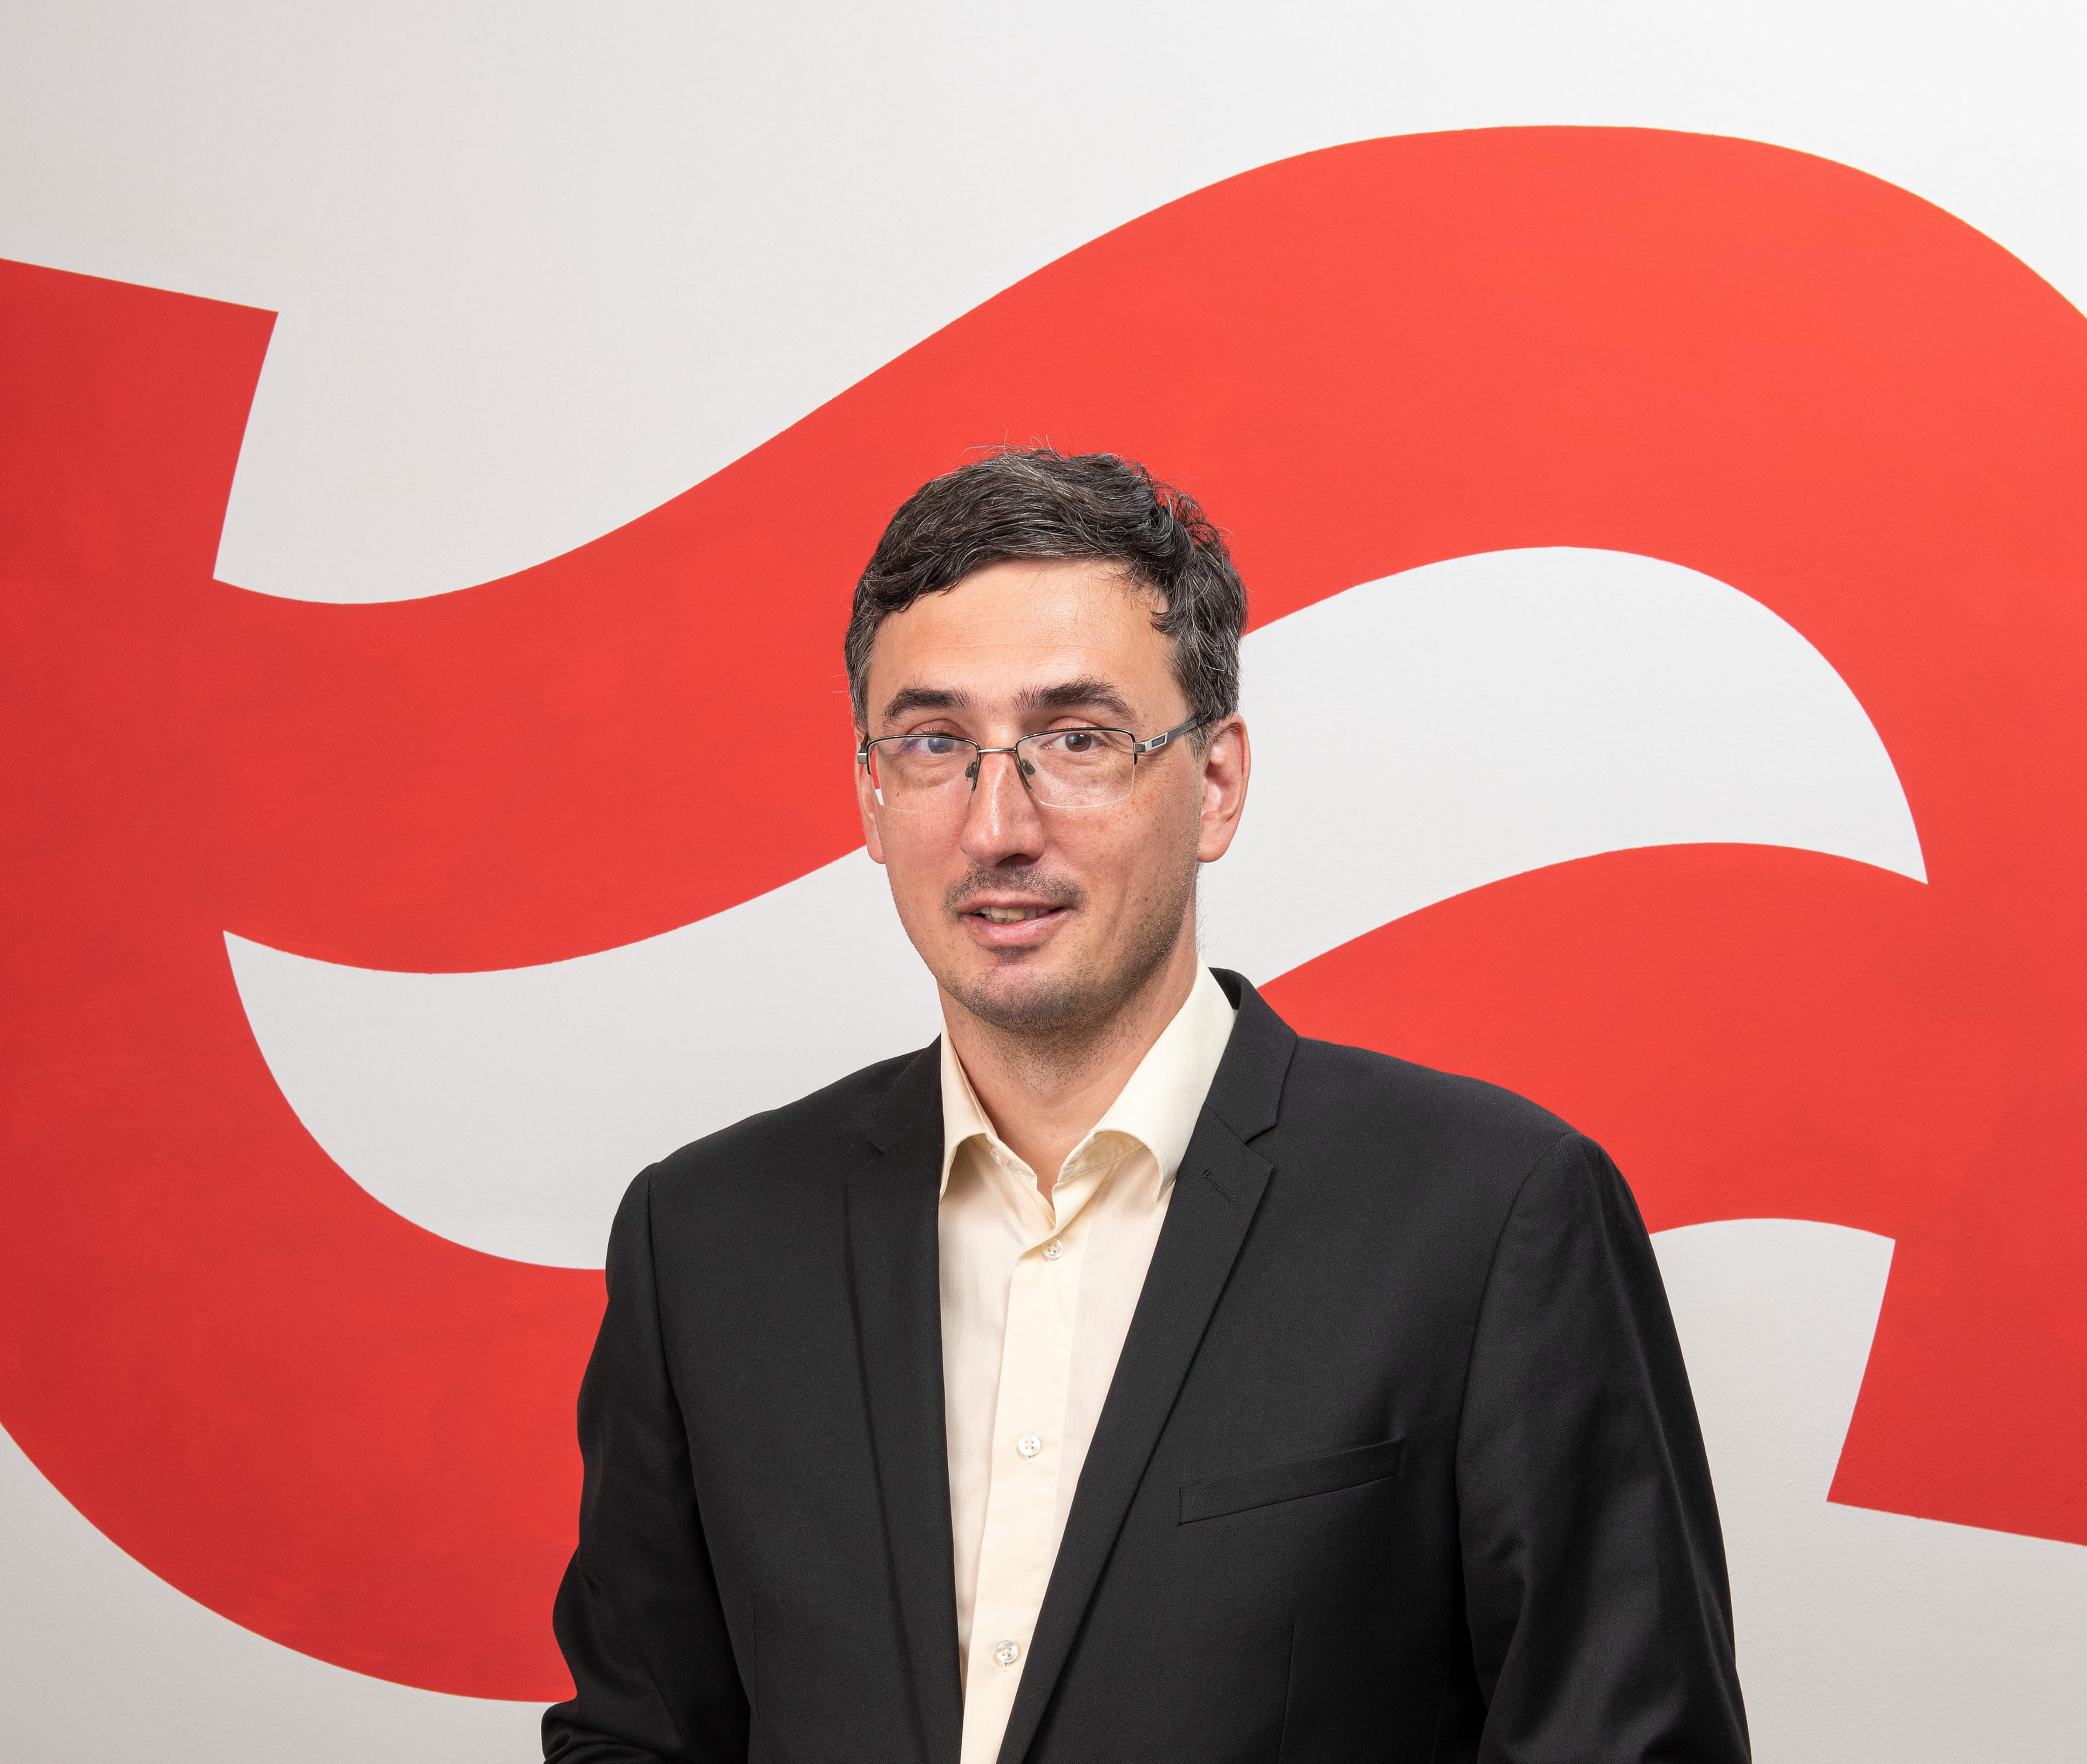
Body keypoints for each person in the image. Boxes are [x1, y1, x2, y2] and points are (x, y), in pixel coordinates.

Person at [543, 449, 1750, 1764]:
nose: (997, 825)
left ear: (1215, 783)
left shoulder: (1491, 1217)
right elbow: (636, 1737)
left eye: (1077, 739)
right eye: (934, 742)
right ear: (870, 797)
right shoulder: (704, 1237)